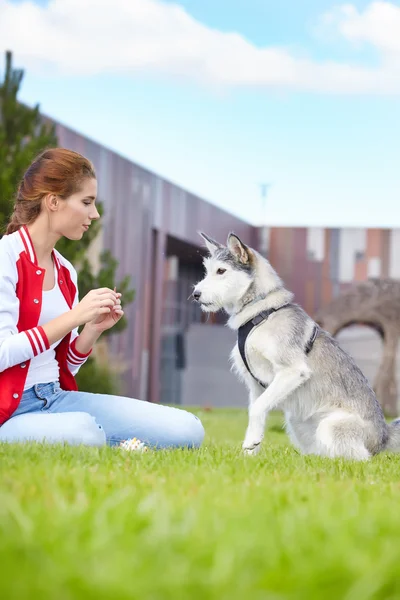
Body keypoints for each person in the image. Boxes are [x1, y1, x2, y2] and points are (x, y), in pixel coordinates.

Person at [0, 148, 205, 449]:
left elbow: (64, 367)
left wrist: (92, 328)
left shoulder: (65, 271)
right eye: (86, 202)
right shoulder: (6, 257)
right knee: (85, 432)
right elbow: (3, 352)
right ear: (53, 201)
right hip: (10, 410)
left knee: (187, 430)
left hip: (55, 398)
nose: (94, 214)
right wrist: (74, 316)